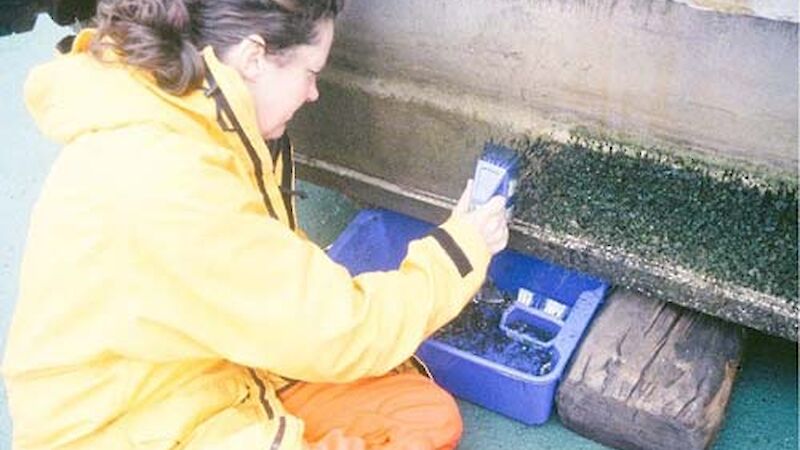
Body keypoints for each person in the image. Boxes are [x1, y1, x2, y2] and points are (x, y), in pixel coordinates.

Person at [2, 0, 509, 448]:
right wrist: (462, 248)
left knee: (424, 416)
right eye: (312, 72)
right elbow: (342, 332)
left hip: (198, 369)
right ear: (253, 57)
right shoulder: (171, 185)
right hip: (131, 427)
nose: (313, 93)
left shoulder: (185, 110)